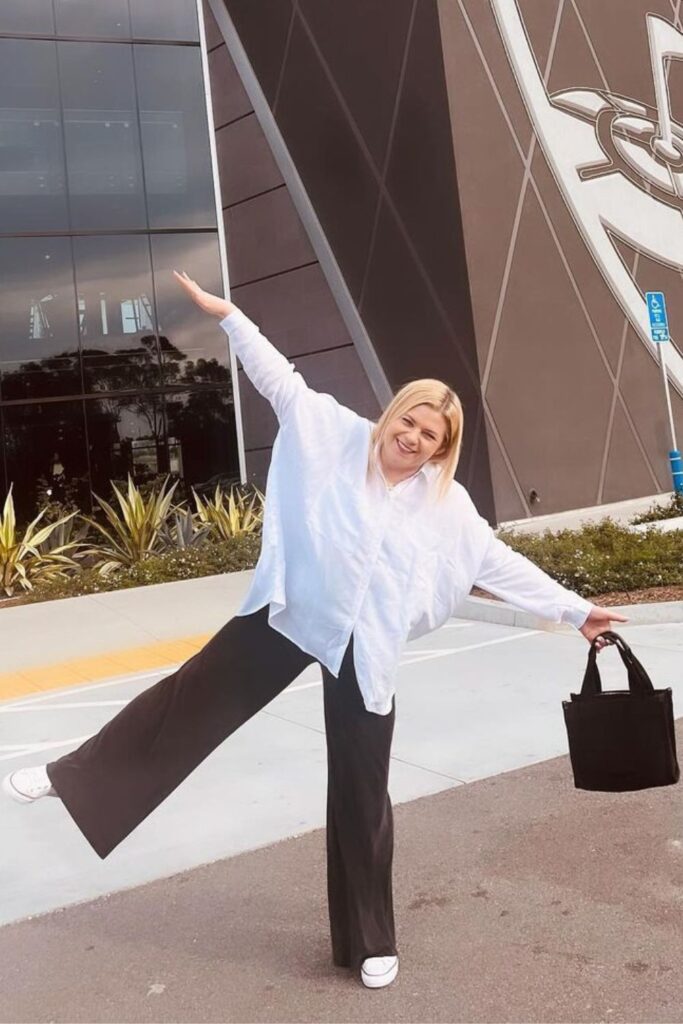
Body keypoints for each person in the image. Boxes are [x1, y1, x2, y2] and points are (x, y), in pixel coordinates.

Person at [2, 272, 627, 990]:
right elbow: (281, 382)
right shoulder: (335, 434)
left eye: (430, 435)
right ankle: (68, 777)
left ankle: (368, 942)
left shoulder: (445, 506)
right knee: (191, 699)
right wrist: (232, 318)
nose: (413, 438)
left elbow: (499, 562)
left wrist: (576, 611)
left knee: (362, 791)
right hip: (294, 613)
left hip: (366, 648)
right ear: (393, 414)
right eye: (410, 421)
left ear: (439, 448)